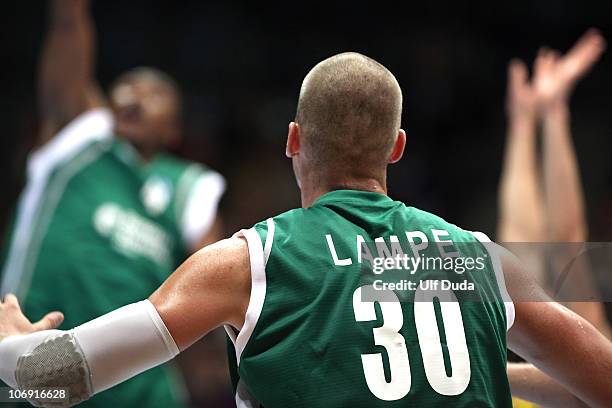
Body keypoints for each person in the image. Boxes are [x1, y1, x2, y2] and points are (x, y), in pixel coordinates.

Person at [1, 52, 611, 408]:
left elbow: (55, 382)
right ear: (397, 148)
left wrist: (9, 350)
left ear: (293, 141)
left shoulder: (250, 263)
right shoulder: (476, 261)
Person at [0, 1, 225, 407]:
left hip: (139, 388)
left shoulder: (190, 187)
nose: (135, 96)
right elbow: (68, 24)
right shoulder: (79, 134)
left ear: (174, 129)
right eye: (127, 86)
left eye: (153, 93)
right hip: (30, 362)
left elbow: (217, 283)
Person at [498, 29, 610, 339]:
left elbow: (566, 247)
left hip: (566, 367)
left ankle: (546, 112)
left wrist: (548, 113)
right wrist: (528, 119)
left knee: (544, 264)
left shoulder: (598, 369)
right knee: (524, 263)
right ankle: (542, 113)